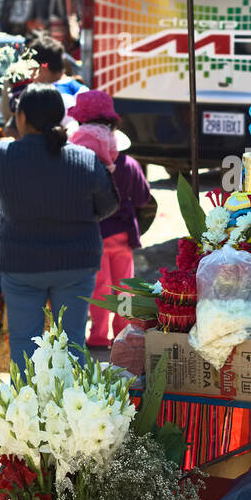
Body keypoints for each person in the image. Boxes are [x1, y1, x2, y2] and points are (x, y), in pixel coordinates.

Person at [0, 83, 118, 371]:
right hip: (76, 263)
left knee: (24, 346)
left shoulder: (1, 156)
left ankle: (27, 414)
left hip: (21, 264)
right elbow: (109, 205)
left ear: (21, 118)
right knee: (72, 344)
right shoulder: (84, 159)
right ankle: (73, 414)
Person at [66, 89, 155, 349]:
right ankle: (122, 333)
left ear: (80, 122)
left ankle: (96, 335)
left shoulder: (76, 160)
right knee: (124, 286)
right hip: (122, 236)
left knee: (99, 287)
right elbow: (142, 197)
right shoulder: (127, 163)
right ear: (114, 123)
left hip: (91, 236)